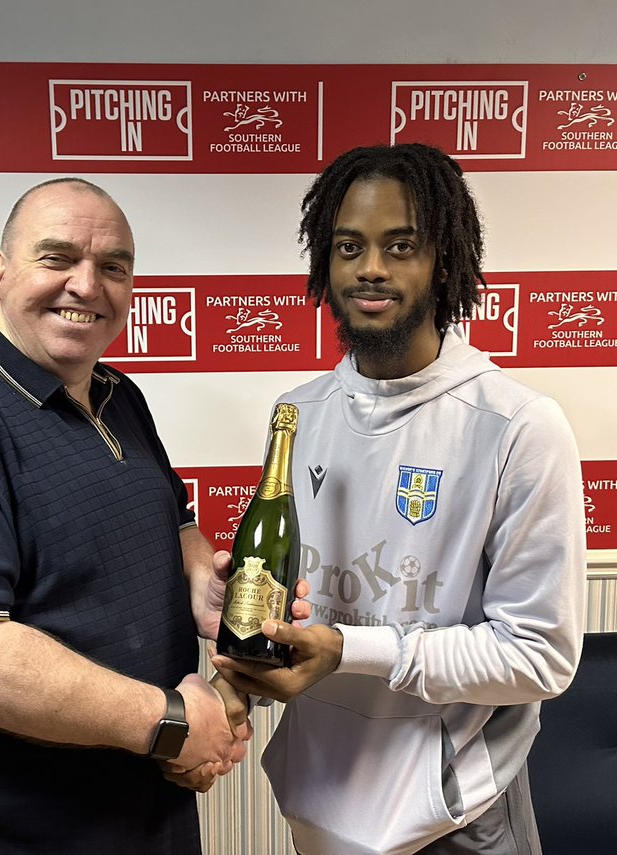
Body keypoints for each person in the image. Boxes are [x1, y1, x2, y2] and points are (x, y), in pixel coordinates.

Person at [0, 177, 294, 854]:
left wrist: (204, 588)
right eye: (56, 258)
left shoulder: (120, 396)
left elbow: (171, 524)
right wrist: (174, 722)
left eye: (113, 267)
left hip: (135, 815)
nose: (86, 286)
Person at [211, 144, 588, 855]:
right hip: (319, 805)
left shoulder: (520, 426)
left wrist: (352, 648)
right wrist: (236, 682)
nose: (372, 268)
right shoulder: (298, 413)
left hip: (455, 822)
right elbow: (281, 611)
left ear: (443, 261)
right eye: (349, 246)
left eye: (401, 246)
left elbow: (541, 655)